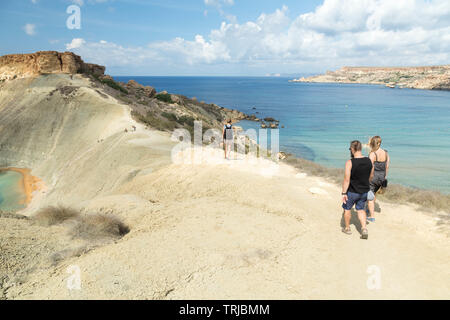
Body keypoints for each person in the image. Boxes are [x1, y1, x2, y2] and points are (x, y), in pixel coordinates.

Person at [341, 140, 374, 239]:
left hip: (352, 192)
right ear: (360, 148)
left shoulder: (350, 162)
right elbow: (371, 176)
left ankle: (347, 228)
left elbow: (346, 180)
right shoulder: (369, 161)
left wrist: (343, 193)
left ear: (352, 149)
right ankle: (364, 228)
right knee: (360, 210)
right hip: (364, 191)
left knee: (347, 209)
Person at [367, 136, 389, 222]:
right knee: (374, 193)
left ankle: (371, 216)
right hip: (382, 176)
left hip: (373, 177)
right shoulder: (386, 153)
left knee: (370, 196)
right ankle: (370, 209)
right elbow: (387, 166)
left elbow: (369, 168)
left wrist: (368, 178)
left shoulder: (372, 154)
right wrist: (384, 177)